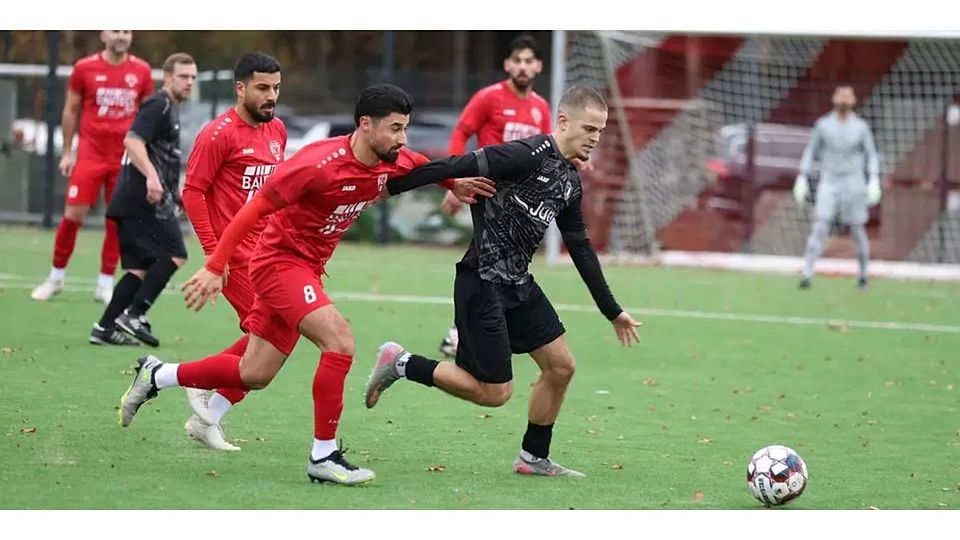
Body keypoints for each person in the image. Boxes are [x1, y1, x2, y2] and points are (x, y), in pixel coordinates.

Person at [116, 84, 495, 485]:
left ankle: (157, 375)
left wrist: (454, 184)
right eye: (395, 128)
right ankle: (323, 455)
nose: (402, 138)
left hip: (306, 267)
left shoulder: (390, 158)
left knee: (255, 372)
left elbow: (419, 164)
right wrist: (215, 264)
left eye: (405, 128)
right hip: (279, 263)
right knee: (340, 342)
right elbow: (255, 208)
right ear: (366, 125)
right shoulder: (317, 164)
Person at [364, 86, 642, 478]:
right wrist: (390, 188)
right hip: (481, 284)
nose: (596, 138)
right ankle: (402, 362)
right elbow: (453, 165)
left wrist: (613, 311)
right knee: (494, 393)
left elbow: (579, 247)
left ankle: (533, 458)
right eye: (590, 129)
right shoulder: (524, 155)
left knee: (561, 367)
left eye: (601, 131)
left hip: (518, 284)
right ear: (563, 122)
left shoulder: (568, 181)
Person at [179, 51, 286, 451]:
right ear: (240, 89)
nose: (270, 95)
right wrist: (214, 258)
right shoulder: (217, 133)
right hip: (235, 257)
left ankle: (208, 411)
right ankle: (191, 382)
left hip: (270, 253)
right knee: (275, 334)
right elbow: (192, 193)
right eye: (262, 88)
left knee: (278, 335)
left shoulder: (277, 131)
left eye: (275, 87)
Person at [437, 33, 552, 358]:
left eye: (529, 61)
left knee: (493, 264)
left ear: (538, 66)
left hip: (521, 201)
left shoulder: (540, 108)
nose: (523, 66)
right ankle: (461, 331)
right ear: (507, 65)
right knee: (493, 263)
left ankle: (467, 329)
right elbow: (461, 132)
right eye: (517, 60)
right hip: (490, 193)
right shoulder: (489, 97)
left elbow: (543, 151)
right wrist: (458, 179)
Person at [31, 31, 154, 304]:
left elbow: (148, 116)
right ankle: (55, 277)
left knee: (116, 219)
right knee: (73, 215)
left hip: (124, 157)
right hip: (90, 154)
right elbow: (71, 110)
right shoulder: (84, 67)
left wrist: (146, 156)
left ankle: (104, 283)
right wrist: (66, 152)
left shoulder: (142, 71)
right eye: (116, 30)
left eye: (126, 30)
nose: (121, 36)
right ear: (103, 34)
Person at [89, 53, 197, 346]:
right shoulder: (158, 104)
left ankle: (104, 328)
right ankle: (134, 314)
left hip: (138, 199)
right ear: (167, 77)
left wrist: (175, 196)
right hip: (141, 198)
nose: (189, 82)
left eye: (192, 78)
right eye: (183, 76)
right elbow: (132, 140)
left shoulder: (169, 108)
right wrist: (151, 177)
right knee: (175, 253)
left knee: (140, 268)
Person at [792, 84, 881, 289]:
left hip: (854, 181)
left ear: (853, 101)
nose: (843, 100)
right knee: (821, 225)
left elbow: (871, 154)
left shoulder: (861, 127)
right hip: (830, 180)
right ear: (833, 99)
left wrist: (873, 179)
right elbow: (810, 151)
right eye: (840, 96)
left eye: (847, 97)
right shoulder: (823, 125)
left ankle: (863, 274)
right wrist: (802, 177)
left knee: (857, 228)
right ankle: (807, 273)